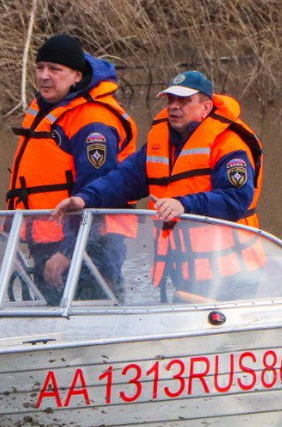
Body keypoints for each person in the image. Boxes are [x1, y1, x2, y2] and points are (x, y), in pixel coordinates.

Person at [51, 70, 264, 299]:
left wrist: (183, 205)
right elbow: (123, 180)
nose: (174, 106)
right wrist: (84, 198)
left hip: (233, 272)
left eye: (184, 100)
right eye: (171, 99)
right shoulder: (159, 142)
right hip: (186, 271)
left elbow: (236, 199)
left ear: (205, 107)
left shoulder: (230, 144)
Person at [5, 33, 136, 300]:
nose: (44, 76)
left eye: (55, 69)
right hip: (47, 240)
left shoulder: (93, 123)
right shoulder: (43, 110)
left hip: (91, 245)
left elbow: (98, 197)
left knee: (94, 320)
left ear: (76, 76)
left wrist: (68, 253)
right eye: (40, 68)